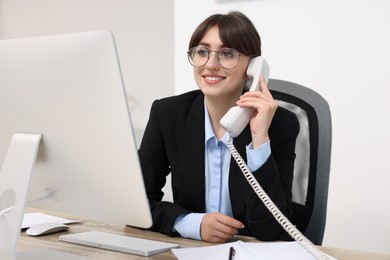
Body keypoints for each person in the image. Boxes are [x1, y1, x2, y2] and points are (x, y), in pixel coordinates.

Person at [138, 11, 299, 243]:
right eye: (202, 52)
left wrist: (259, 139)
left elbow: (271, 230)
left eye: (227, 54)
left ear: (253, 67)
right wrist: (191, 223)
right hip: (190, 251)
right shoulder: (168, 115)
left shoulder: (280, 124)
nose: (211, 65)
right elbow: (138, 206)